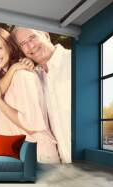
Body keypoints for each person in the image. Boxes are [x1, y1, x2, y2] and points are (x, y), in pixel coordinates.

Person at [0, 27, 60, 163]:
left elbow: (30, 124)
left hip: (38, 155)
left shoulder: (23, 75)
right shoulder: (10, 75)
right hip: (23, 154)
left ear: (9, 47)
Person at [11, 27, 71, 163]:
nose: (30, 46)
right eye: (22, 44)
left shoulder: (73, 61)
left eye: (32, 37)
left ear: (46, 35)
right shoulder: (36, 76)